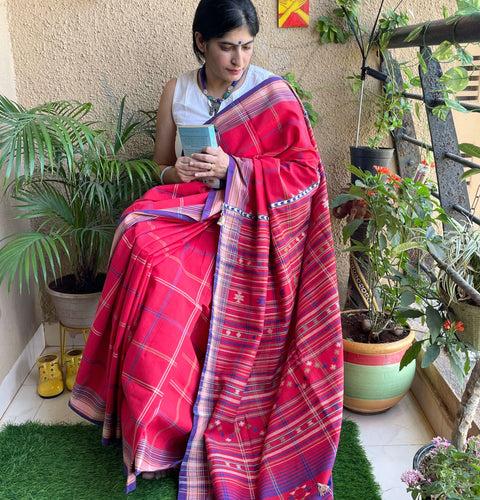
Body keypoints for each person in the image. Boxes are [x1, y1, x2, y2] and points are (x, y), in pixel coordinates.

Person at [70, 0, 344, 498]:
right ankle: (151, 431)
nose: (238, 60)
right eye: (226, 47)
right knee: (139, 244)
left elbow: (306, 174)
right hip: (185, 207)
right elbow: (156, 167)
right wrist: (177, 173)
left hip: (247, 228)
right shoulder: (176, 91)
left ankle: (179, 425)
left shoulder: (271, 94)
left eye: (246, 47)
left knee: (171, 279)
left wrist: (235, 171)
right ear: (201, 42)